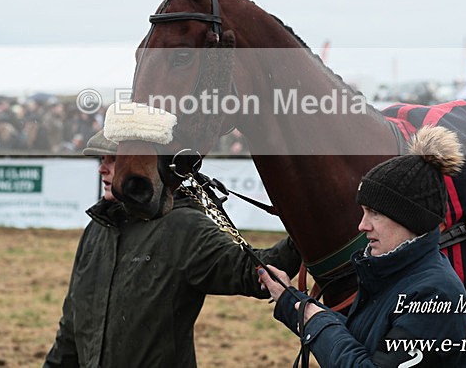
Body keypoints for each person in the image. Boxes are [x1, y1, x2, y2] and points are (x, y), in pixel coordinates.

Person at [43, 129, 302, 368]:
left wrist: (307, 233)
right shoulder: (97, 229)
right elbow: (71, 329)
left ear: (145, 165)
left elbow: (250, 270)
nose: (102, 169)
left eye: (113, 160)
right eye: (102, 159)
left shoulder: (183, 226)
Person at [259, 125, 466, 368]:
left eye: (375, 213)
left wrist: (313, 318)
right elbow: (356, 345)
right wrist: (290, 300)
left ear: (410, 218)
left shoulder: (435, 296)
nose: (362, 226)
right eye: (363, 213)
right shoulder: (390, 274)